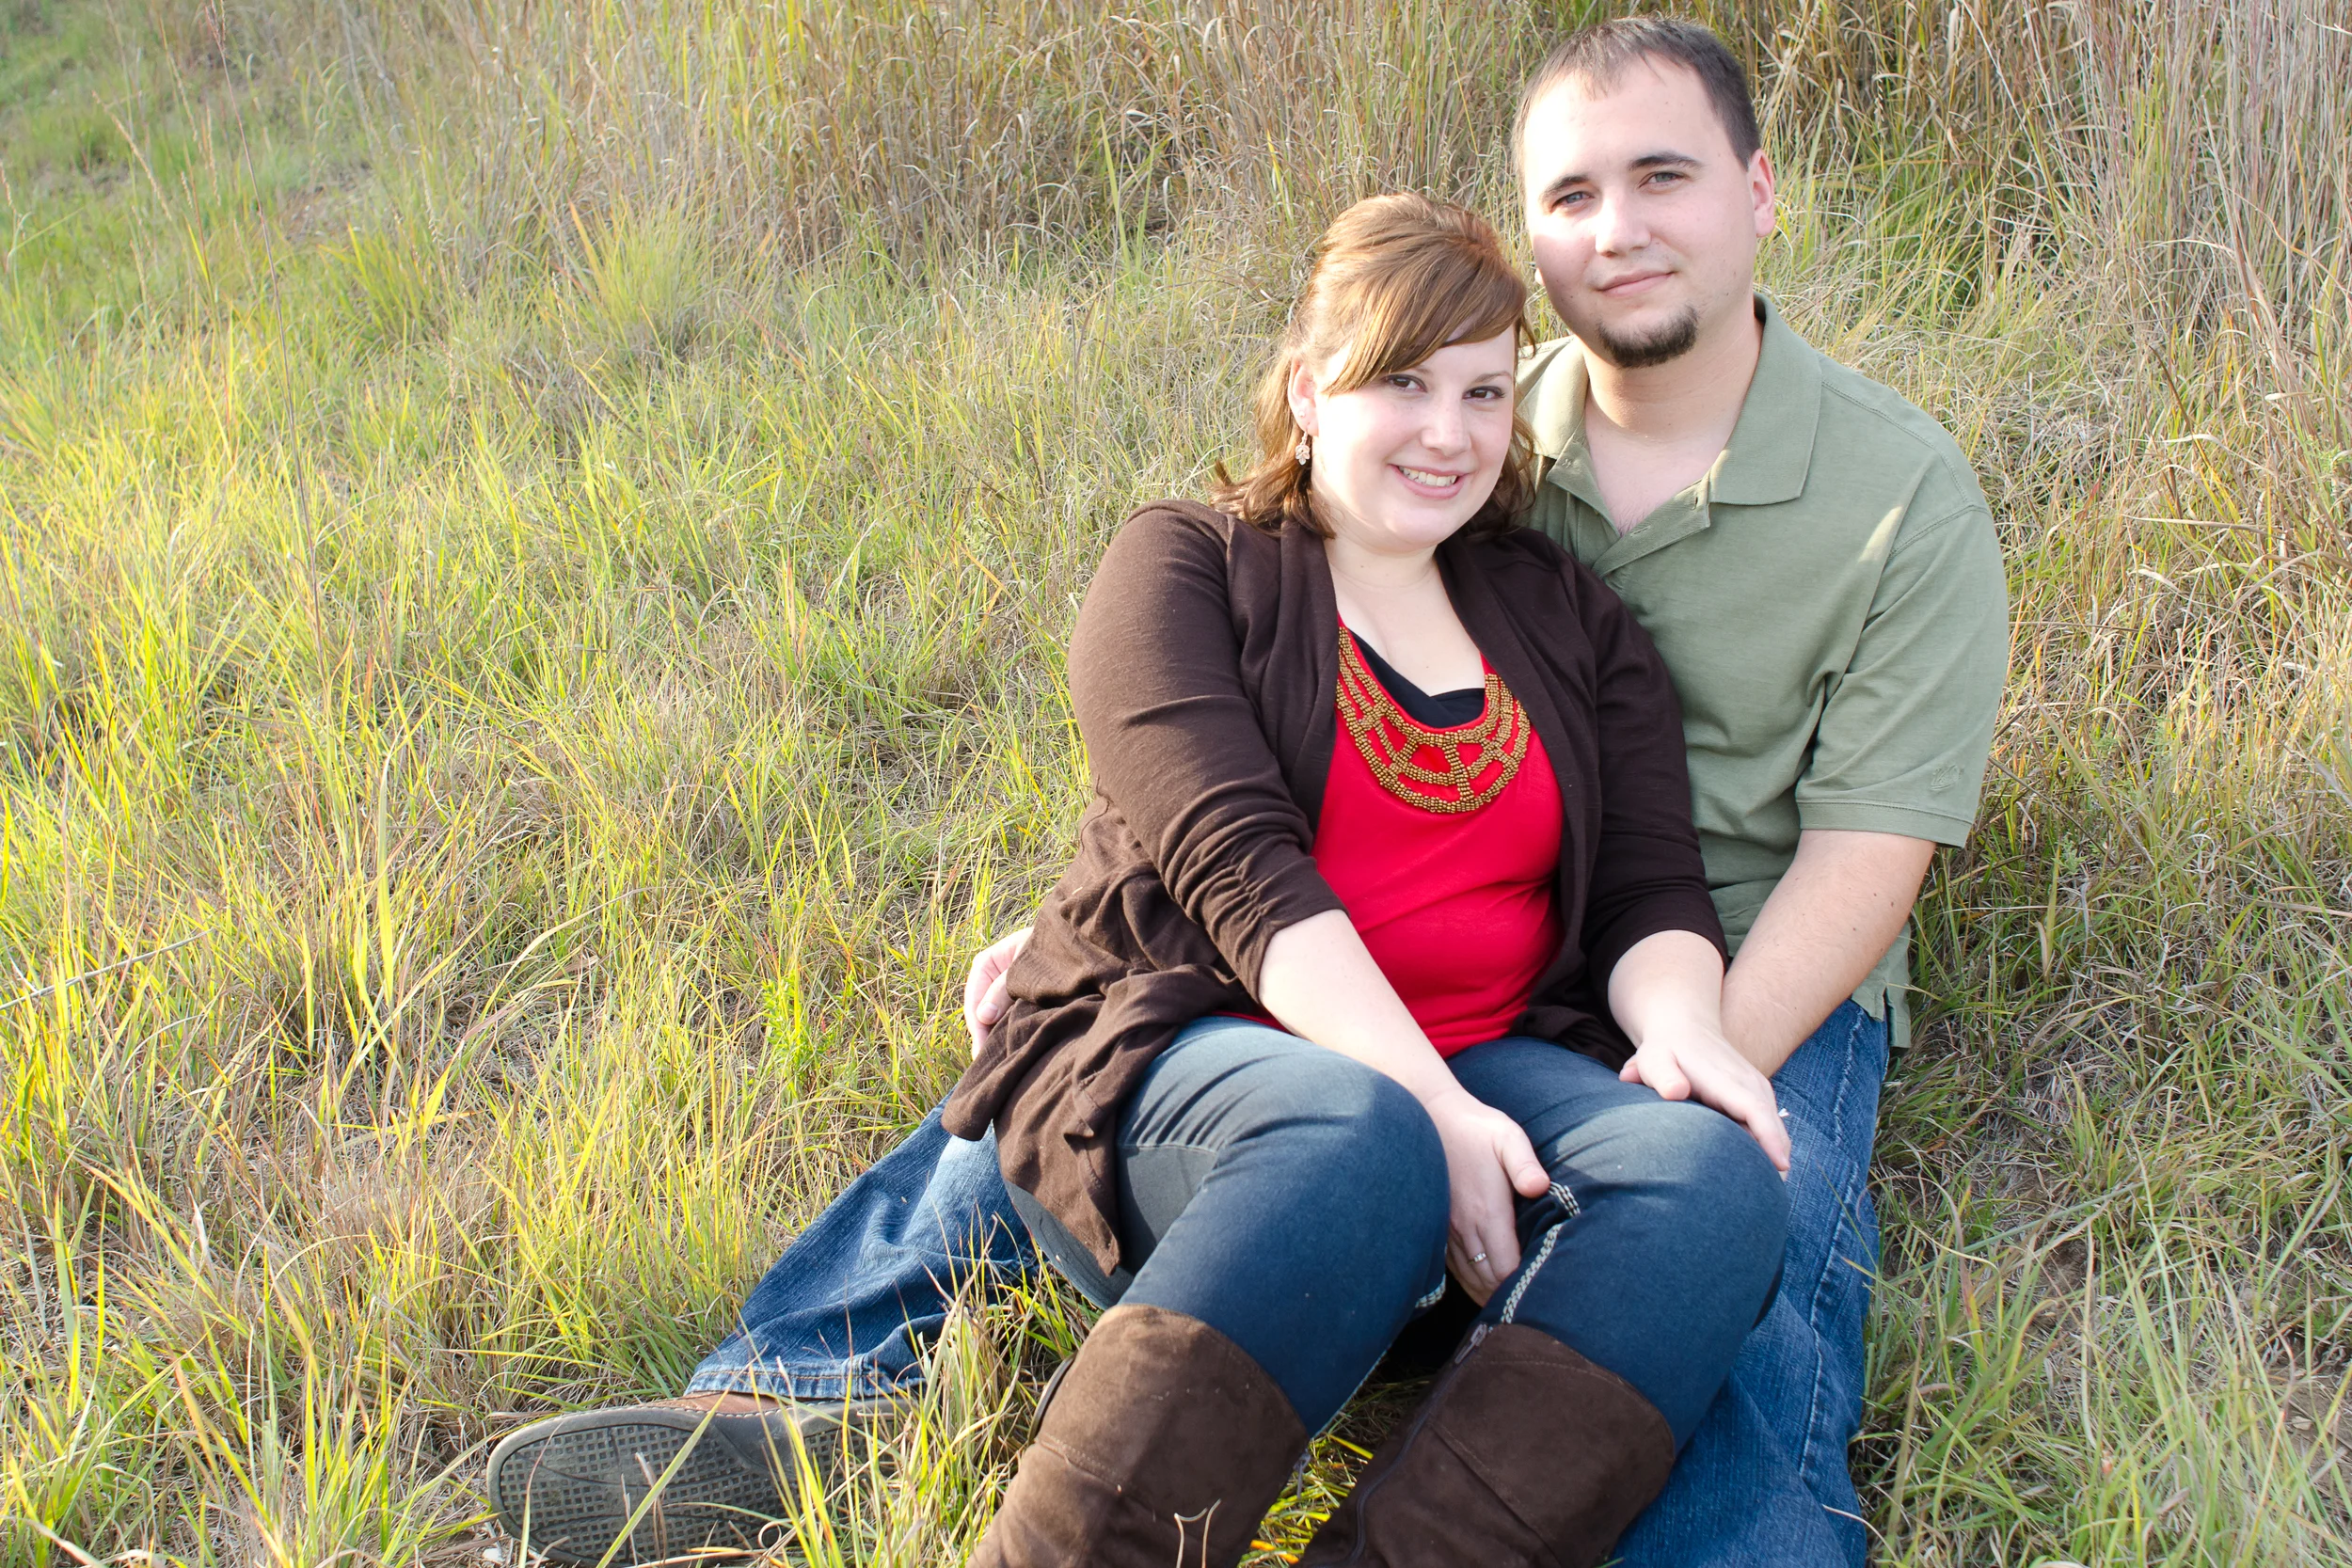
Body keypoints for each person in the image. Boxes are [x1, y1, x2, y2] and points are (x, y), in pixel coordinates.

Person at [490, 15, 2010, 1565]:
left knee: (1738, 1208)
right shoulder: (1387, 472)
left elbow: (1790, 861)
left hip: (1679, 973)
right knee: (1191, 1093)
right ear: (1310, 386)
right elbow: (1218, 825)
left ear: (1758, 191)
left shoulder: (1816, 517)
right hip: (1294, 995)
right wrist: (1110, 936)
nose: (1615, 232)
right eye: (1572, 195)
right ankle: (805, 1397)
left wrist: (1690, 1051)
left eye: (1663, 177)